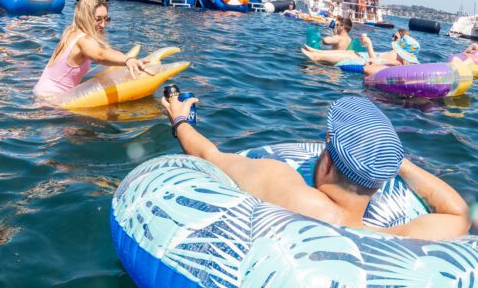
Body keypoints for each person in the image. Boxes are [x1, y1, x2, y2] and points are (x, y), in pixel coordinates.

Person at [162, 94, 469, 240]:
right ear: (380, 183)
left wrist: (179, 120)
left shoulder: (287, 189)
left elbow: (208, 157)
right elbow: (458, 214)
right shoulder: (395, 236)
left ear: (327, 160)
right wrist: (397, 162)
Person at [33, 0, 152, 97]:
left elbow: (102, 50)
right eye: (98, 19)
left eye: (106, 19)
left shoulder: (72, 31)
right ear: (86, 17)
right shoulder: (83, 40)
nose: (103, 24)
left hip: (42, 93)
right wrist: (128, 60)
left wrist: (124, 58)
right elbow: (100, 54)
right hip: (50, 100)